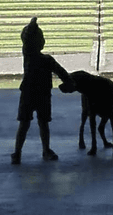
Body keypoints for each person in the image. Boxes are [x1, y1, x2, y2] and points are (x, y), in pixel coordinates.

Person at [12, 17, 72, 165]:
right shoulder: (46, 60)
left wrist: (32, 25)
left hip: (28, 92)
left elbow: (26, 38)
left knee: (24, 124)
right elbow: (62, 73)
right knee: (43, 123)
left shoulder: (28, 56)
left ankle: (18, 152)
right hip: (43, 94)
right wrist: (72, 83)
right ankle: (45, 150)